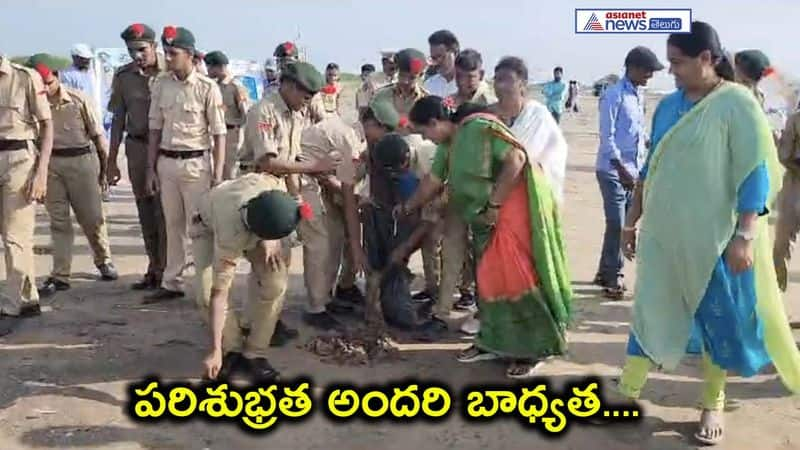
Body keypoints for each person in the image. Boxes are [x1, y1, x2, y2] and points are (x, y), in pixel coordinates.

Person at [617, 21, 800, 446]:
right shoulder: (668, 106)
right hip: (664, 235)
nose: (672, 71)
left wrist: (744, 235)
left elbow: (754, 173)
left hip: (715, 238)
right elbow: (650, 168)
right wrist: (632, 220)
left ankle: (712, 401)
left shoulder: (737, 104)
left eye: (677, 62)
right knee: (651, 307)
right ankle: (627, 391)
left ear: (707, 58)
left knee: (716, 318)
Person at [403, 96, 572, 378]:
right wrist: (407, 207)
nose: (426, 139)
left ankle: (534, 349)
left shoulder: (479, 128)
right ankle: (493, 342)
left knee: (516, 280)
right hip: (482, 224)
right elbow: (433, 182)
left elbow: (516, 159)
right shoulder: (449, 146)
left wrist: (495, 204)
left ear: (436, 122)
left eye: (425, 132)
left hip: (509, 217)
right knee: (489, 283)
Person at [244, 61, 343, 330]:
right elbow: (267, 162)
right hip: (261, 187)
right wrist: (314, 167)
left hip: (288, 185)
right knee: (272, 256)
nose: (308, 103)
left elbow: (290, 157)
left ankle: (316, 306)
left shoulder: (295, 113)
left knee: (318, 239)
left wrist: (298, 196)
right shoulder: (264, 111)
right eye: (306, 96)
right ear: (288, 86)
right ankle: (261, 322)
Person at [338, 101, 446, 335]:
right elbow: (348, 190)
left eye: (399, 171)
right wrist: (357, 248)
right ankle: (377, 301)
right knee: (381, 258)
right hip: (391, 208)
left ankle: (438, 306)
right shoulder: (367, 151)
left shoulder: (429, 157)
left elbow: (431, 215)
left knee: (430, 249)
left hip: (429, 206)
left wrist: (405, 247)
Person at [197, 175, 310, 382]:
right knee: (205, 293)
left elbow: (295, 210)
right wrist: (215, 350)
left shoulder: (274, 189)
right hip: (208, 227)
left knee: (275, 283)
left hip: (259, 224)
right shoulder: (229, 233)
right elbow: (218, 295)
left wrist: (272, 237)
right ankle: (230, 349)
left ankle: (255, 353)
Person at [144, 26, 227, 303]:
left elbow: (218, 133)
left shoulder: (207, 88)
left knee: (200, 228)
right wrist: (151, 168)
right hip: (167, 163)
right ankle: (172, 282)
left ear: (190, 55)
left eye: (173, 53)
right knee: (173, 225)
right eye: (166, 52)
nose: (167, 57)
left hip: (196, 165)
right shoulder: (161, 84)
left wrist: (217, 173)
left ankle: (206, 286)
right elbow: (155, 128)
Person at [27, 55, 117, 297]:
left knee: (92, 217)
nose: (45, 88)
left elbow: (98, 136)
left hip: (82, 162)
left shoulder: (78, 100)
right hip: (52, 164)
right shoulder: (33, 103)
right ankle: (61, 274)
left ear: (56, 77)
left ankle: (103, 260)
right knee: (58, 222)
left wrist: (106, 167)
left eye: (48, 82)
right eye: (40, 84)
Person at [594, 46, 664, 299]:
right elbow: (607, 136)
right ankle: (614, 277)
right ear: (632, 67)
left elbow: (638, 135)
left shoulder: (638, 96)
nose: (650, 76)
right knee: (618, 223)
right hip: (611, 169)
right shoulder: (614, 95)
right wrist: (620, 168)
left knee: (618, 223)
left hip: (633, 171)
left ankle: (604, 270)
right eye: (647, 71)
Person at [438, 49, 497, 322]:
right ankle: (444, 308)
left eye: (470, 77)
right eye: (460, 77)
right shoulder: (449, 102)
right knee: (451, 248)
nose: (464, 83)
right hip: (455, 187)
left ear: (481, 75)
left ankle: (481, 307)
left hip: (485, 192)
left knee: (483, 253)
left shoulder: (492, 104)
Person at [107, 23, 167, 291]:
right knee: (145, 211)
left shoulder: (172, 72)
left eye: (142, 49)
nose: (136, 56)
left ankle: (169, 269)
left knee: (166, 212)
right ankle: (153, 267)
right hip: (137, 148)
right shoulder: (124, 77)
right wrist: (110, 161)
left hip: (169, 150)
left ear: (154, 46)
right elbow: (118, 119)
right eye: (131, 51)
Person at [294, 117, 364, 329]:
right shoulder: (349, 139)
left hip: (318, 180)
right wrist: (356, 247)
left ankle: (326, 296)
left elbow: (337, 184)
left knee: (335, 235)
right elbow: (348, 196)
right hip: (302, 181)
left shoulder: (350, 134)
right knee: (319, 243)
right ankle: (316, 308)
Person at [0, 53, 53, 328]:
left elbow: (47, 125)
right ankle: (29, 297)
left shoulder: (25, 78)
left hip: (18, 159)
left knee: (14, 235)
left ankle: (10, 308)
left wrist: (41, 173)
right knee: (13, 236)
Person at [204, 51, 249, 180]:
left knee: (230, 174)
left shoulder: (235, 87)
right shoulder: (214, 86)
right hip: (216, 133)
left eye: (210, 67)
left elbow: (245, 114)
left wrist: (241, 137)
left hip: (232, 135)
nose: (208, 70)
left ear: (219, 67)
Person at [775, 109, 800, 291]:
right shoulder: (795, 120)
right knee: (782, 244)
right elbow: (784, 156)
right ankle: (777, 285)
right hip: (794, 185)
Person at [424, 30, 459, 98]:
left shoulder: (468, 85)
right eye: (434, 58)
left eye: (441, 56)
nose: (438, 62)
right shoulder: (428, 86)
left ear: (455, 53)